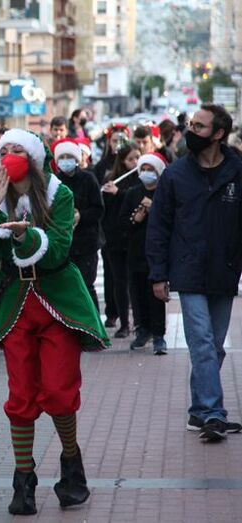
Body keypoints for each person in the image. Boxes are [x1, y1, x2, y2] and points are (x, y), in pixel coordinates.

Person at [0, 129, 108, 515]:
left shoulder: (59, 195)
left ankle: (71, 462)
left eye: (18, 150)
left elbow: (58, 251)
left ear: (34, 158)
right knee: (21, 397)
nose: (10, 156)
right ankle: (24, 479)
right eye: (4, 150)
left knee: (60, 393)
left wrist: (25, 237)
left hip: (57, 301)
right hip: (15, 303)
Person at [147, 104, 242, 442]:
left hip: (224, 272)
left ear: (218, 134)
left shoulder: (237, 172)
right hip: (188, 271)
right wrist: (158, 273)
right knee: (201, 342)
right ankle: (214, 414)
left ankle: (199, 411)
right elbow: (159, 227)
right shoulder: (175, 174)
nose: (192, 130)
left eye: (200, 126)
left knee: (213, 346)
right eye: (191, 124)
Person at [121, 153, 167, 355]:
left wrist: (154, 208)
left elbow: (170, 218)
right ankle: (142, 329)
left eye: (151, 170)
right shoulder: (133, 193)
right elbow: (123, 222)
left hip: (156, 252)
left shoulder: (164, 192)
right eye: (144, 169)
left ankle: (158, 334)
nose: (147, 173)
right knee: (137, 293)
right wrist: (135, 219)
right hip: (136, 251)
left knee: (156, 293)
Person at [53, 139, 104, 310]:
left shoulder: (88, 179)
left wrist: (80, 215)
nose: (65, 161)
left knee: (86, 286)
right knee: (66, 287)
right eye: (62, 157)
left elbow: (98, 209)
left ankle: (93, 321)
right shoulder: (54, 182)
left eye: (69, 157)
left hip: (86, 243)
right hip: (64, 244)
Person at [100, 142, 140, 337]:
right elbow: (105, 211)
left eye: (137, 158)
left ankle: (141, 323)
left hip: (135, 238)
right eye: (131, 159)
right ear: (122, 161)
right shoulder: (111, 179)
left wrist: (120, 193)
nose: (135, 162)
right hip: (115, 239)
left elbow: (138, 201)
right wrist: (108, 194)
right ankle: (124, 323)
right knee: (120, 282)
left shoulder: (141, 179)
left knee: (137, 281)